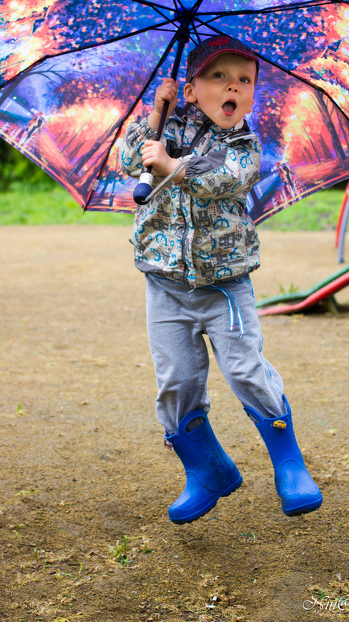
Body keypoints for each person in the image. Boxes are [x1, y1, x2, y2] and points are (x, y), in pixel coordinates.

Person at [120, 34, 322, 524]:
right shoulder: (168, 124)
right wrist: (155, 116)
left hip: (223, 286)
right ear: (190, 90)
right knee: (176, 383)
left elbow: (221, 179)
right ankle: (208, 469)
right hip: (165, 283)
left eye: (244, 80)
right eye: (219, 77)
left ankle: (289, 463)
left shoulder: (243, 144)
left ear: (251, 95)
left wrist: (172, 166)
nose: (234, 86)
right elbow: (130, 159)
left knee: (245, 370)